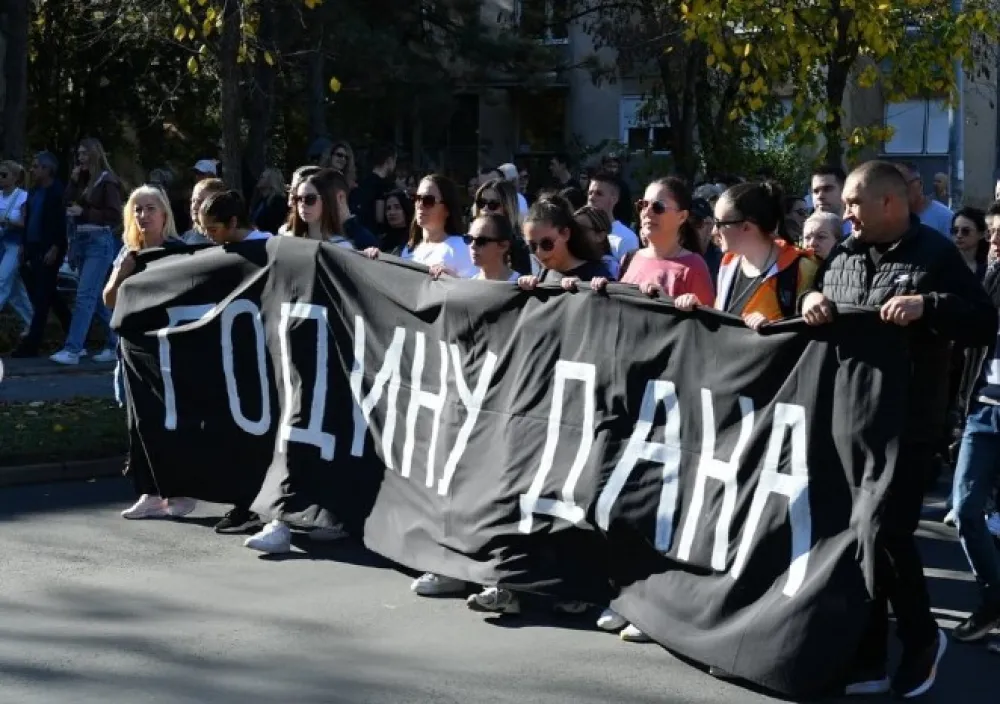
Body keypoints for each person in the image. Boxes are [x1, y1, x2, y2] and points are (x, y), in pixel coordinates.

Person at [800, 160, 996, 698]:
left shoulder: (934, 255)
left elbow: (983, 320)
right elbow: (814, 303)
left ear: (890, 203)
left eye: (855, 204)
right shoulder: (842, 252)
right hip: (848, 420)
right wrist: (810, 300)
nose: (846, 214)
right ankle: (868, 654)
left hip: (909, 425)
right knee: (856, 537)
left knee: (888, 534)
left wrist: (928, 306)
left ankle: (921, 641)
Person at [108, 186, 198, 520]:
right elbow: (108, 300)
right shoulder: (128, 253)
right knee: (140, 422)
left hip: (171, 351)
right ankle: (149, 491)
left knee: (172, 421)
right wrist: (121, 275)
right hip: (132, 351)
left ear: (164, 214)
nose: (143, 216)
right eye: (137, 210)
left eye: (149, 209)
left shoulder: (180, 252)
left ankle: (181, 492)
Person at [950, 203, 1000, 645]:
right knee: (966, 510)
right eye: (993, 234)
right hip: (983, 412)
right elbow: (969, 345)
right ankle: (992, 600)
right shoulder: (990, 279)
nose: (996, 243)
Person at [675, 181, 817, 331]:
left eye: (719, 223)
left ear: (746, 227)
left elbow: (812, 337)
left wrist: (773, 329)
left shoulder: (800, 268)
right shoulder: (729, 262)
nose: (713, 232)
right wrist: (699, 309)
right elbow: (722, 324)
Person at [51, 138, 123, 366]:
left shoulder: (106, 181)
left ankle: (73, 349)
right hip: (81, 240)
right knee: (96, 297)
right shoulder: (82, 180)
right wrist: (73, 183)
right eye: (78, 154)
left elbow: (114, 215)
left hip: (98, 241)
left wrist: (85, 212)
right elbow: (65, 202)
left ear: (95, 154)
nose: (80, 158)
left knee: (84, 297)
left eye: (84, 154)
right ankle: (116, 343)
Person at [593, 177, 714, 313]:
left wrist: (689, 305)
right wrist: (603, 289)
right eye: (643, 205)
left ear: (682, 217)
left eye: (658, 207)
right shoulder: (630, 258)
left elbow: (708, 325)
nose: (647, 212)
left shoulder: (694, 266)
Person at [13, 152, 71, 358]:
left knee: (42, 298)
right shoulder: (35, 191)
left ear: (48, 170)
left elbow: (60, 223)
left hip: (49, 248)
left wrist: (56, 247)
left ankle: (31, 345)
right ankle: (72, 326)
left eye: (37, 166)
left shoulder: (57, 192)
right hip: (33, 247)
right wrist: (23, 245)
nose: (33, 169)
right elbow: (29, 219)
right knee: (48, 293)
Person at [364, 174, 477, 278]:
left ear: (447, 209)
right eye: (417, 199)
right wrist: (377, 261)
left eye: (428, 200)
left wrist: (453, 279)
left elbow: (476, 292)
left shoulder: (462, 246)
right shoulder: (408, 250)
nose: (420, 205)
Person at [0, 160, 33, 334]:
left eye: (4, 175)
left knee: (2, 280)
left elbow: (26, 223)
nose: (0, 178)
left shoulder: (22, 197)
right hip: (1, 244)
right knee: (15, 293)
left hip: (14, 243)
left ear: (14, 177)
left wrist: (8, 221)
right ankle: (34, 323)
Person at [587, 172, 640, 258]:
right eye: (590, 193)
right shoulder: (580, 232)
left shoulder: (626, 238)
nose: (591, 198)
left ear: (614, 199)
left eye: (599, 193)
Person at [897, 162, 953, 238]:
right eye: (895, 186)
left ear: (920, 183)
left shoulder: (945, 217)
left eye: (905, 184)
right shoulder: (891, 219)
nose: (901, 190)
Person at [199, 190, 272, 245]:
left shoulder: (266, 242)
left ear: (232, 222)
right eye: (203, 229)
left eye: (213, 230)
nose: (207, 235)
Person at [353, 143, 397, 233]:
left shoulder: (363, 181)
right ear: (389, 161)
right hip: (374, 233)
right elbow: (379, 217)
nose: (394, 166)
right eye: (395, 161)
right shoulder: (381, 185)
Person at [181, 178, 227, 245]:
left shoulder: (229, 238)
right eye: (193, 201)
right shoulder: (184, 239)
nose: (194, 207)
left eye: (201, 202)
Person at [950, 207, 989, 280]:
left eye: (965, 231)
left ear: (981, 234)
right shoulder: (943, 263)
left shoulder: (988, 270)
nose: (959, 235)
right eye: (955, 230)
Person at [249, 168, 288, 234]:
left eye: (262, 177)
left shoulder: (279, 202)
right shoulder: (262, 200)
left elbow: (274, 227)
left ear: (271, 180)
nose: (259, 179)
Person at [381, 189, 413, 254]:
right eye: (388, 208)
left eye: (397, 207)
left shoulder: (415, 237)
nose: (392, 212)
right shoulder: (383, 240)